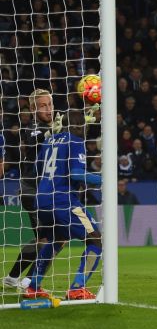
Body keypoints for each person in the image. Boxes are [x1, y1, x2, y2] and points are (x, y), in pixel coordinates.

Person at [26, 110, 103, 300]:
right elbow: (76, 173)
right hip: (64, 200)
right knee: (96, 239)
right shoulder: (76, 141)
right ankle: (77, 287)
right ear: (79, 126)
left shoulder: (49, 141)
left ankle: (33, 286)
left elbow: (37, 168)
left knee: (57, 239)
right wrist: (102, 178)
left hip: (42, 200)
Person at [3, 90, 60, 290]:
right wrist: (52, 131)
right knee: (49, 239)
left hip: (45, 191)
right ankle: (30, 284)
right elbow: (35, 141)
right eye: (43, 105)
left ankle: (13, 278)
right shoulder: (33, 127)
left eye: (50, 104)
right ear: (34, 108)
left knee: (44, 239)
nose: (48, 109)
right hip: (31, 190)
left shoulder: (55, 127)